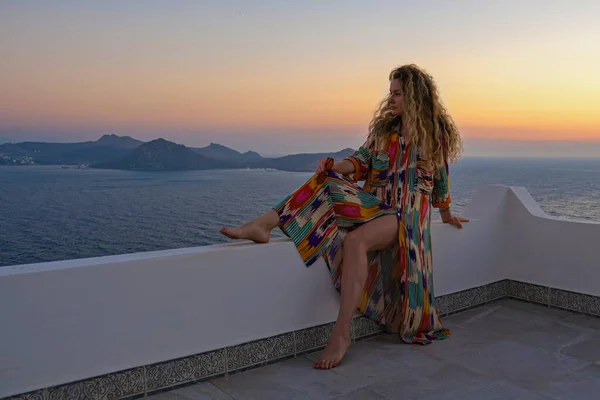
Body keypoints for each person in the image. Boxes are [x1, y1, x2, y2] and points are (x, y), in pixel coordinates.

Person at [220, 64, 468, 370]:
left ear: (415, 97)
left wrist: (445, 215)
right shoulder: (385, 132)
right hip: (376, 206)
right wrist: (333, 166)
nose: (391, 99)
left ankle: (341, 333)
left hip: (407, 218)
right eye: (390, 93)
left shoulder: (434, 136)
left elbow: (441, 181)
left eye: (398, 93)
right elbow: (360, 162)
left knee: (354, 241)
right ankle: (265, 223)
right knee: (325, 180)